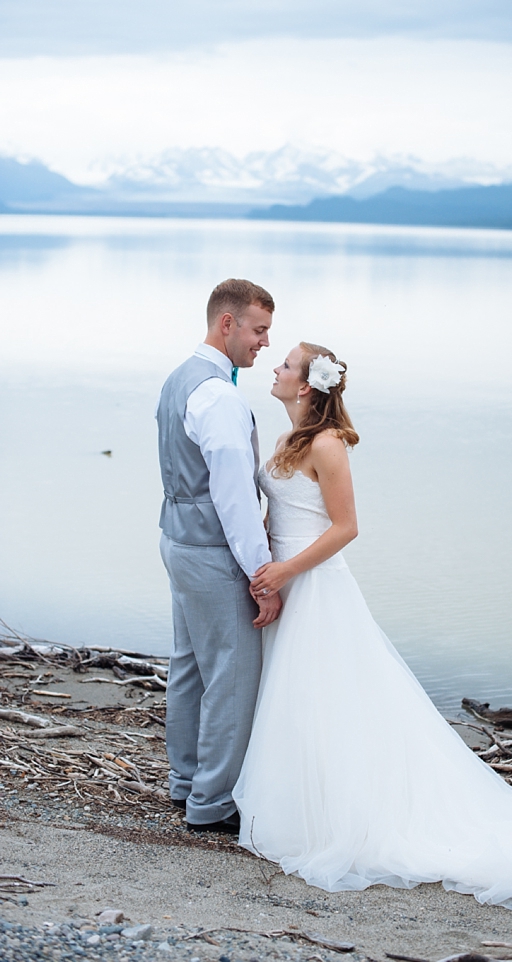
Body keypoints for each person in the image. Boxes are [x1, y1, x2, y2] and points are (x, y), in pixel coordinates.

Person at [232, 340, 512, 908]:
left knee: (325, 698)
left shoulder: (327, 445)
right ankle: (301, 806)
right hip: (283, 583)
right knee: (296, 701)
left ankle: (347, 819)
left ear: (305, 385)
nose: (274, 368)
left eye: (285, 365)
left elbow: (346, 527)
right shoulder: (284, 440)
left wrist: (285, 571)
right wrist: (263, 568)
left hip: (317, 587)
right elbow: (278, 512)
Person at [157, 278, 281, 833]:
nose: (264, 344)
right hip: (210, 549)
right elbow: (234, 498)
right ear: (226, 323)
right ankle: (212, 803)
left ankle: (185, 783)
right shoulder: (220, 397)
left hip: (176, 538)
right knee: (231, 675)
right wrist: (262, 575)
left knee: (189, 667)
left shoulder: (179, 379)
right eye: (258, 331)